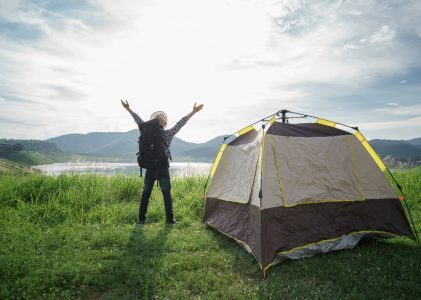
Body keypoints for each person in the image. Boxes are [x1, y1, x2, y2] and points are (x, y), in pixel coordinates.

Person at [121, 99, 204, 225]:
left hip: (149, 167)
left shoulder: (144, 129)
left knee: (145, 194)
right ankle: (170, 220)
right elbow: (180, 123)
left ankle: (141, 220)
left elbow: (137, 119)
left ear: (152, 120)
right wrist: (193, 111)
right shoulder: (168, 134)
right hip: (162, 168)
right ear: (164, 123)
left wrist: (128, 108)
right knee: (166, 195)